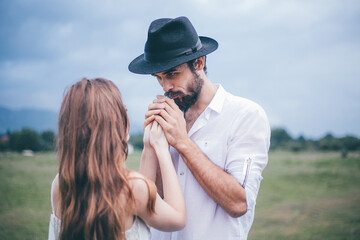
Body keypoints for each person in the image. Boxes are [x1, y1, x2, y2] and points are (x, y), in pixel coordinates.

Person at [128, 16, 271, 240]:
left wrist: (182, 142)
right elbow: (152, 202)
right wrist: (151, 146)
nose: (166, 86)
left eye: (172, 74)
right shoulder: (167, 117)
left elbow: (238, 203)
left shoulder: (245, 115)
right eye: (158, 78)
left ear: (199, 63)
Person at [48, 78, 186, 240]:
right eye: (124, 111)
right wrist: (162, 149)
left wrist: (149, 147)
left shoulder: (61, 184)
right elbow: (178, 217)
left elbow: (142, 209)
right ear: (119, 126)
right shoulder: (130, 188)